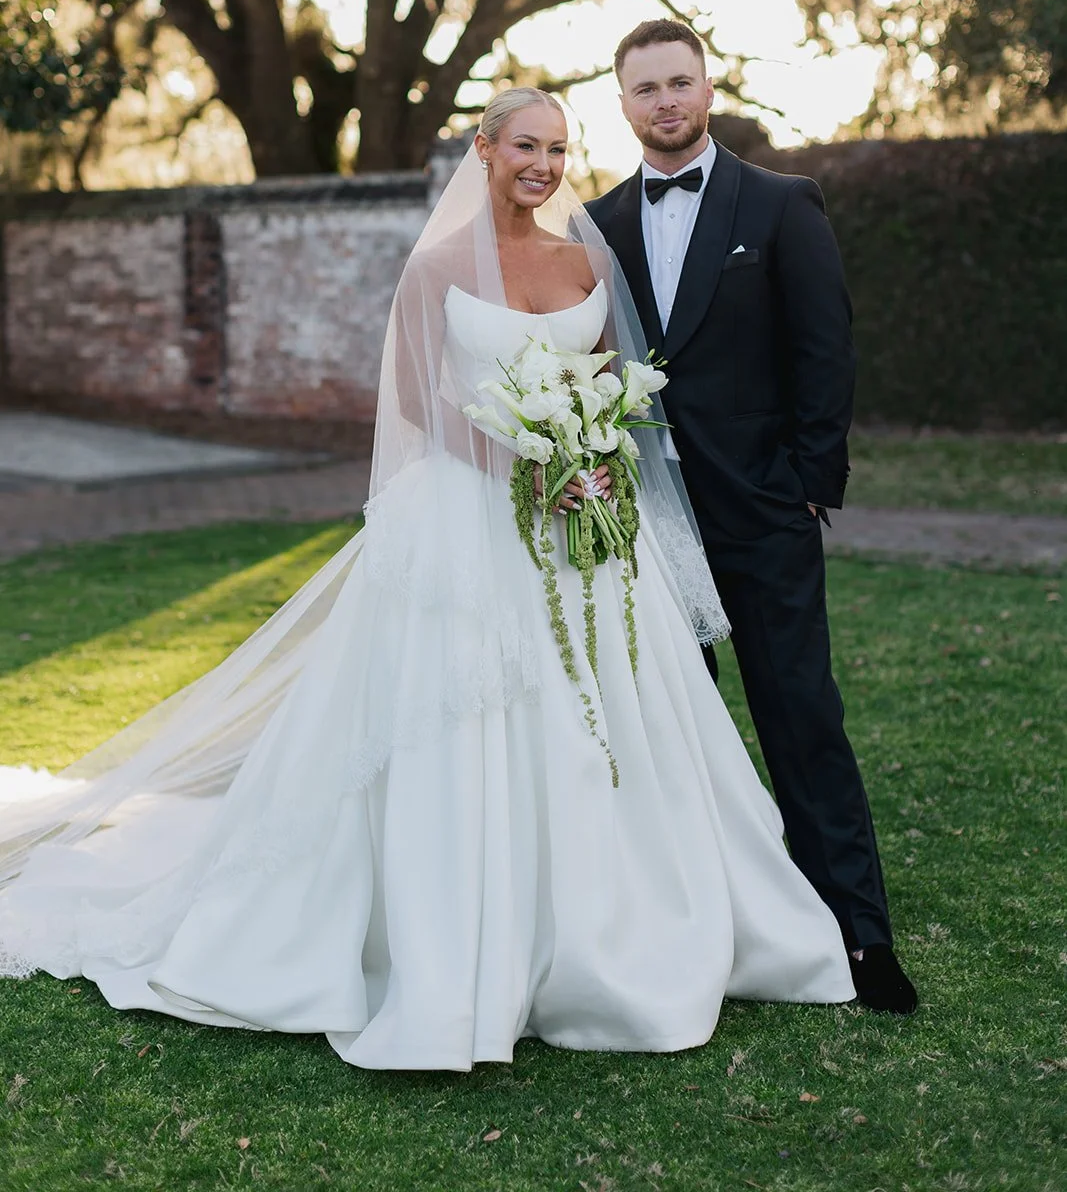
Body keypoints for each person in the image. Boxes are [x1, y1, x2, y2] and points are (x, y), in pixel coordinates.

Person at [0, 88, 856, 1070]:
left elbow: (617, 379)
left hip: (585, 522)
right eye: (524, 145)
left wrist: (588, 451)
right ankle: (465, 939)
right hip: (469, 522)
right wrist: (526, 458)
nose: (542, 163)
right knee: (465, 730)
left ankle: (617, 928)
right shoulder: (436, 266)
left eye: (558, 149)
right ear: (484, 150)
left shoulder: (585, 259)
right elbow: (417, 402)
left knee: (611, 715)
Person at [586, 20, 918, 1016]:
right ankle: (695, 926)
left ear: (707, 84)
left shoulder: (780, 205)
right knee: (669, 735)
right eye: (644, 87)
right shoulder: (594, 223)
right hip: (647, 527)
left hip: (761, 513)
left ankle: (859, 935)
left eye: (678, 81)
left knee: (800, 719)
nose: (665, 101)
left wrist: (811, 480)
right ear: (623, 102)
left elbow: (825, 348)